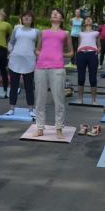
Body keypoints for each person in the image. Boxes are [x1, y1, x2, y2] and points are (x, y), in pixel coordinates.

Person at [34, 8, 73, 139]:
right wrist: (43, 55)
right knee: (40, 99)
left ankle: (59, 128)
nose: (54, 14)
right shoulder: (43, 32)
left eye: (57, 13)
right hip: (40, 67)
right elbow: (37, 50)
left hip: (57, 68)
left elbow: (71, 53)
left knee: (59, 99)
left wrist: (59, 54)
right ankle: (39, 127)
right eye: (52, 13)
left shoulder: (65, 33)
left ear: (62, 19)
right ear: (50, 18)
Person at [6, 10, 39, 117]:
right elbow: (11, 42)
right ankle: (12, 108)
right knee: (14, 86)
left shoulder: (36, 32)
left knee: (29, 87)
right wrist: (10, 53)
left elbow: (39, 47)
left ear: (32, 20)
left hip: (29, 62)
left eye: (29, 17)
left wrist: (38, 58)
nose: (27, 18)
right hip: (15, 61)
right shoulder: (16, 30)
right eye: (24, 16)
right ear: (22, 19)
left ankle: (31, 109)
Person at [76, 16, 100, 104]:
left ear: (92, 22)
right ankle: (80, 99)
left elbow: (99, 45)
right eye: (86, 19)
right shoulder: (80, 33)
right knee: (81, 77)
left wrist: (98, 50)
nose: (89, 19)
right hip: (81, 54)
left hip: (92, 54)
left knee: (93, 78)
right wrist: (78, 53)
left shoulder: (96, 33)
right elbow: (79, 44)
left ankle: (93, 100)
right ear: (84, 22)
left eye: (90, 18)